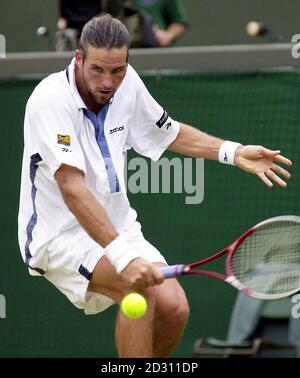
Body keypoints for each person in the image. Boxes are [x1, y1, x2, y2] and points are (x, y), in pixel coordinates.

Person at [18, 14, 292, 358]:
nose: (108, 81)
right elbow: (73, 189)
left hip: (118, 226)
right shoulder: (49, 101)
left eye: (117, 70)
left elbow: (168, 132)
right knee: (138, 287)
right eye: (98, 69)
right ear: (79, 59)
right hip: (59, 235)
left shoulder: (127, 83)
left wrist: (233, 152)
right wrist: (122, 256)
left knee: (174, 308)